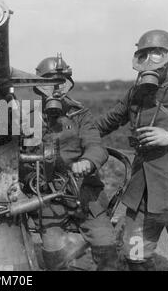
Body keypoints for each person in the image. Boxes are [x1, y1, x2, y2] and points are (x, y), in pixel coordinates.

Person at [95, 29, 168, 271]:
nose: (150, 61)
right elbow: (106, 122)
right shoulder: (135, 94)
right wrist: (73, 133)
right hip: (142, 190)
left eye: (157, 55)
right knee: (134, 253)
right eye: (144, 55)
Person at [22, 55, 119, 271]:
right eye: (49, 84)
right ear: (38, 88)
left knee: (106, 244)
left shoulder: (80, 115)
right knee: (55, 252)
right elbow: (19, 159)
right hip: (46, 197)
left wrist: (87, 161)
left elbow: (96, 146)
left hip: (84, 192)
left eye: (62, 82)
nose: (56, 89)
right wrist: (31, 180)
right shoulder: (29, 119)